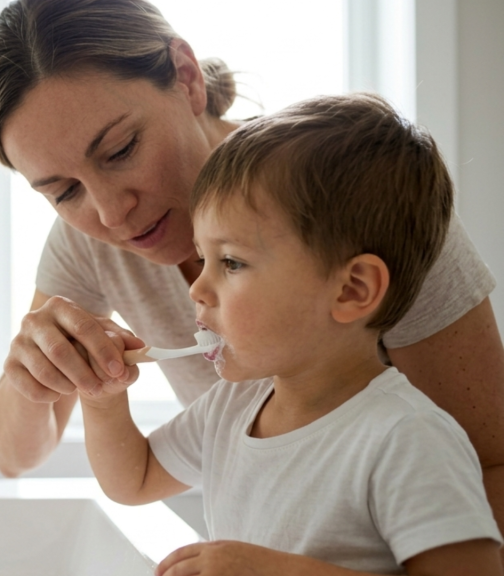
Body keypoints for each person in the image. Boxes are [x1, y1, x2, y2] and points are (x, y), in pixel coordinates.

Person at [0, 0, 504, 546]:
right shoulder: (231, 399)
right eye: (63, 191)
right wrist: (46, 373)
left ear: (186, 77)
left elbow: (489, 466)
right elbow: (16, 457)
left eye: (121, 149)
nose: (110, 213)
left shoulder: (352, 206)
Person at [80, 92, 502, 575]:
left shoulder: (407, 438)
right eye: (203, 259)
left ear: (352, 290)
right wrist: (102, 398)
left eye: (231, 262)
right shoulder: (232, 407)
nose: (197, 288)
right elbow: (133, 480)